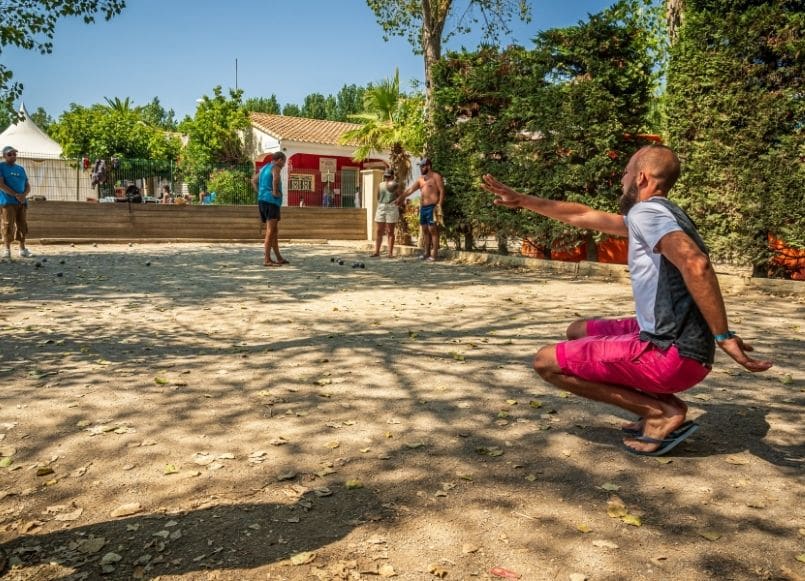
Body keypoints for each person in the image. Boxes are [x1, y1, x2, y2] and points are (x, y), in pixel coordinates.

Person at [481, 144, 773, 456]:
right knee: (577, 330)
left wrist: (723, 335)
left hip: (673, 354)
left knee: (546, 362)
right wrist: (524, 201)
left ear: (642, 179)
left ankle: (659, 413)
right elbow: (582, 214)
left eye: (626, 173)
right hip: (677, 342)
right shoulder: (659, 213)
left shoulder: (646, 212)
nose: (621, 180)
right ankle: (662, 405)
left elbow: (695, 263)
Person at [403, 158, 445, 261]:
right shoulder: (420, 179)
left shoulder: (436, 176)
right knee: (425, 230)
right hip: (423, 208)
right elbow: (410, 190)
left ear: (428, 166)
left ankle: (434, 254)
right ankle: (426, 253)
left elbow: (442, 190)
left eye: (422, 166)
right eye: (420, 166)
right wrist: (400, 198)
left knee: (433, 230)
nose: (421, 168)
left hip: (432, 207)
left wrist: (439, 205)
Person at [252, 152, 288, 267]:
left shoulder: (264, 168)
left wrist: (261, 193)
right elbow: (276, 179)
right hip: (272, 202)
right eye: (284, 161)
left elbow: (253, 180)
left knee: (274, 231)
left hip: (262, 201)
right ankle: (266, 259)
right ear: (279, 160)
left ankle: (278, 258)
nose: (284, 164)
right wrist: (274, 192)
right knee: (270, 231)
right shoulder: (275, 167)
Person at [0, 146, 32, 261]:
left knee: (22, 224)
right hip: (8, 202)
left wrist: (24, 195)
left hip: (22, 202)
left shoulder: (21, 169)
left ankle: (22, 249)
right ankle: (7, 250)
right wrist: (16, 195)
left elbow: (27, 185)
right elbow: (1, 184)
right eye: (10, 154)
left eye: (14, 154)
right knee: (8, 224)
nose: (13, 156)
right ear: (4, 156)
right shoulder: (1, 167)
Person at [371, 169, 407, 258]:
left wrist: (400, 203)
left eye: (388, 176)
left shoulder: (396, 185)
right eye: (385, 176)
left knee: (390, 231)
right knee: (379, 231)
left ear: (392, 176)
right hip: (382, 206)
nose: (386, 178)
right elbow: (378, 196)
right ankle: (377, 252)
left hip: (391, 207)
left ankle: (390, 253)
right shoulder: (380, 185)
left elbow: (401, 196)